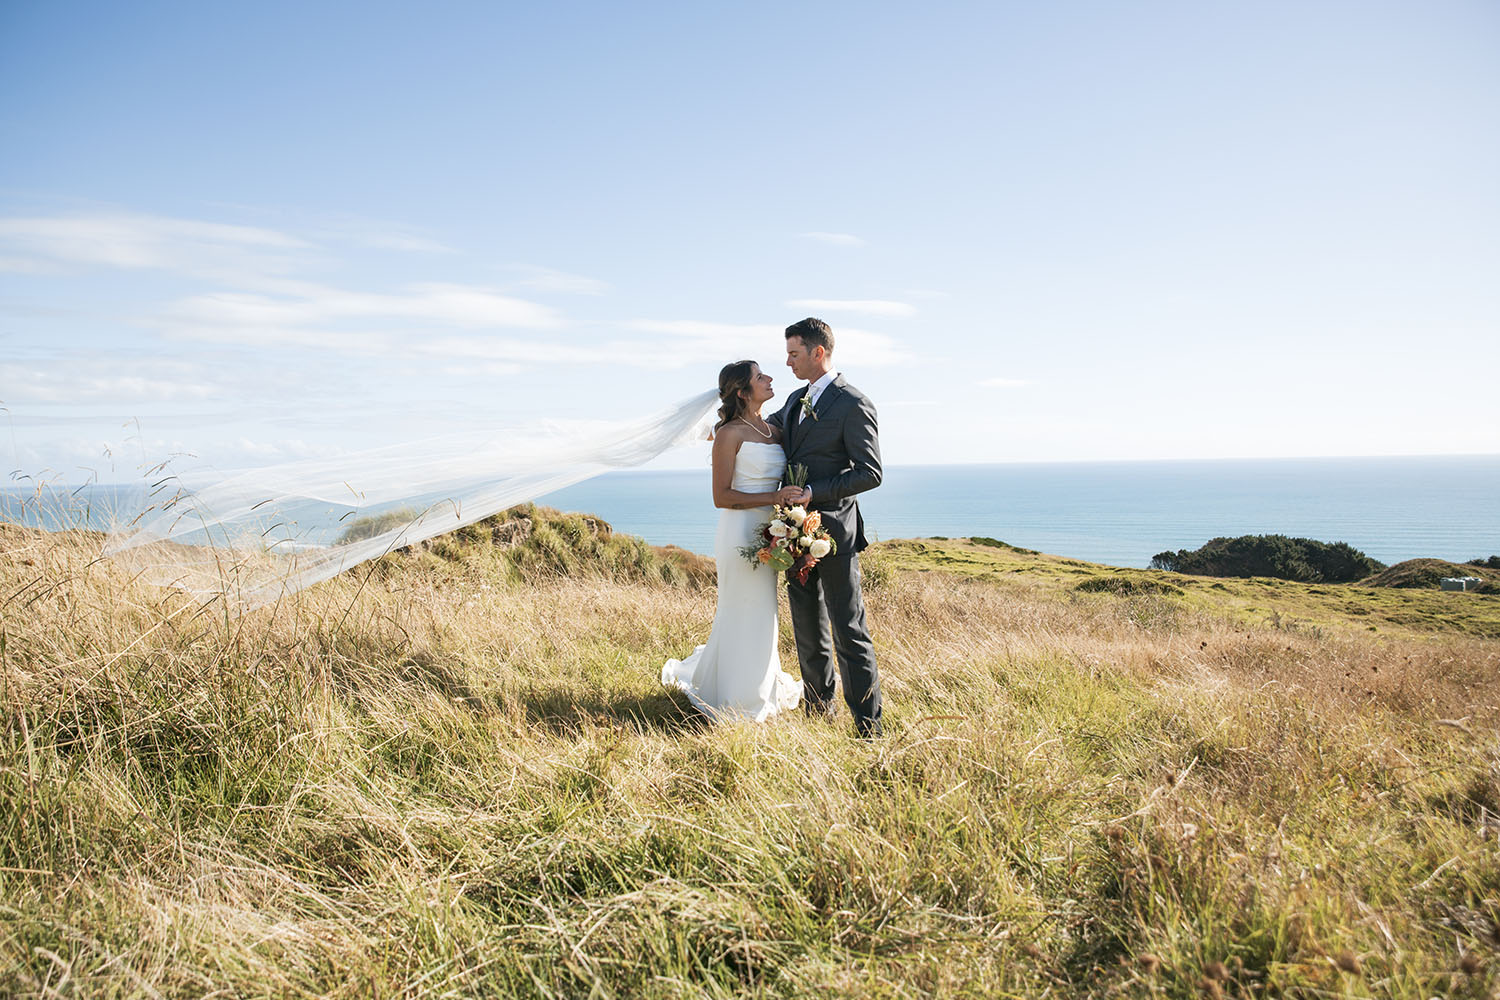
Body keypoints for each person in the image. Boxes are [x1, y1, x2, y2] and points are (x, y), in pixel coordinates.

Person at [661, 361, 806, 721]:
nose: (770, 378)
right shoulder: (729, 434)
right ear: (743, 392)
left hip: (771, 532)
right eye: (760, 377)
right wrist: (775, 499)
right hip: (739, 530)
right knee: (742, 608)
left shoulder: (774, 429)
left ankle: (760, 684)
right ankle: (736, 695)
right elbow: (722, 496)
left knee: (765, 611)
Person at [765, 318, 884, 738]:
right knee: (807, 626)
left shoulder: (854, 403)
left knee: (848, 629)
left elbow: (870, 473)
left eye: (794, 353)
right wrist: (727, 426)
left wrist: (813, 492)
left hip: (834, 531)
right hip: (793, 535)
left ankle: (868, 727)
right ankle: (819, 714)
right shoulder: (796, 399)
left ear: (819, 352)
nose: (787, 362)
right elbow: (769, 430)